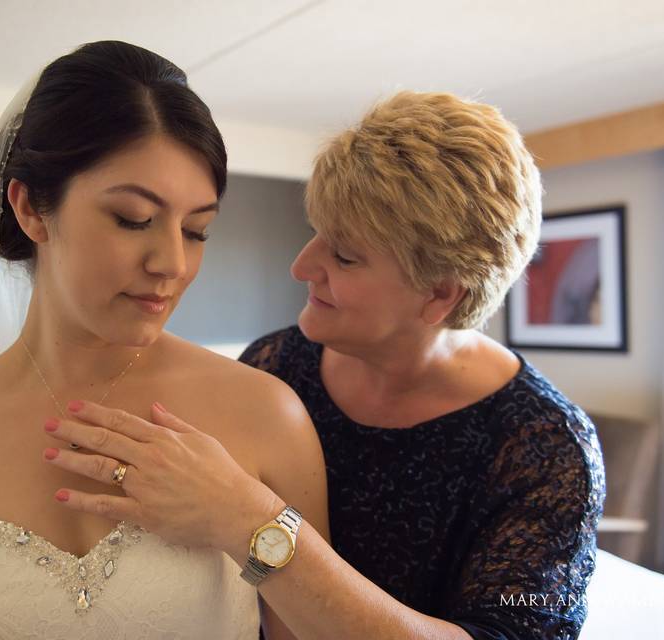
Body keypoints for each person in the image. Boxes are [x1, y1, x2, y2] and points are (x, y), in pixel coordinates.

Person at [51, 91, 605, 639]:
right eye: (316, 233)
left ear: (440, 294)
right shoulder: (276, 366)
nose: (301, 266)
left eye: (343, 255)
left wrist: (250, 518)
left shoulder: (546, 449)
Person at [0, 41, 328, 640]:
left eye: (198, 230)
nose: (172, 263)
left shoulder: (267, 417)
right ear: (30, 209)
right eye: (132, 219)